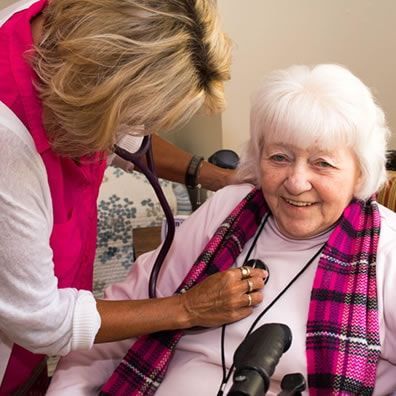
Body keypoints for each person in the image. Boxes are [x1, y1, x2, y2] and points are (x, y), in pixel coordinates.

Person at [48, 63, 396, 396]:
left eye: (323, 163)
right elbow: (113, 325)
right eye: (279, 157)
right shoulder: (227, 209)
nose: (296, 182)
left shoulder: (386, 251)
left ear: (361, 174)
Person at [0, 0, 264, 393]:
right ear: (99, 94)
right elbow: (42, 319)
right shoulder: (8, 146)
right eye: (130, 117)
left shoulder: (61, 33)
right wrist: (188, 308)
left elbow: (129, 136)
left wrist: (214, 176)